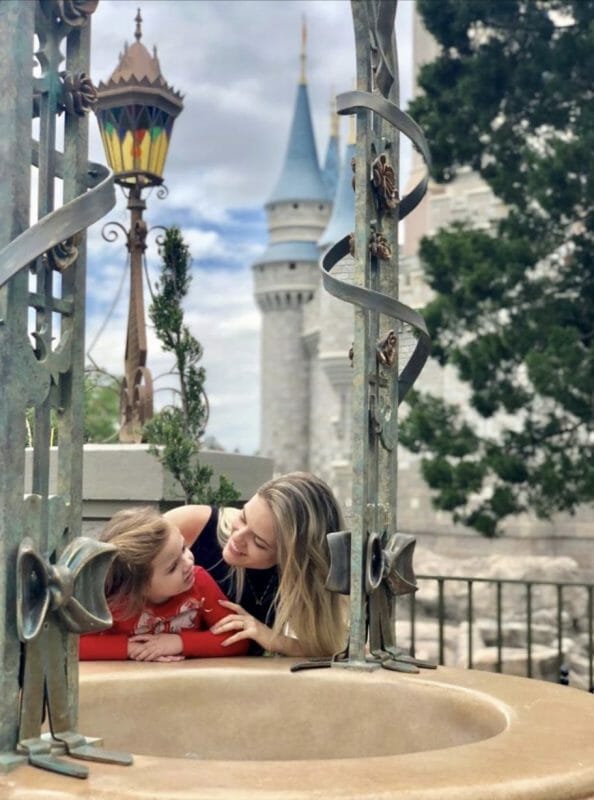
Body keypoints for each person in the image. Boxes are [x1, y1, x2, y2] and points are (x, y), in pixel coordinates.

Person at [164, 471, 348, 658]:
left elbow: (332, 652)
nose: (237, 537)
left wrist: (272, 639)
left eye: (259, 542)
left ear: (289, 558)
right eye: (243, 517)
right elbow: (134, 564)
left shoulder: (303, 579)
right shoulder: (191, 526)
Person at [79, 507, 249, 661]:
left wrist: (178, 643)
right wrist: (129, 648)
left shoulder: (199, 581)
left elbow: (237, 638)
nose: (188, 562)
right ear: (140, 587)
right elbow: (74, 645)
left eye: (183, 548)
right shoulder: (116, 603)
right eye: (173, 567)